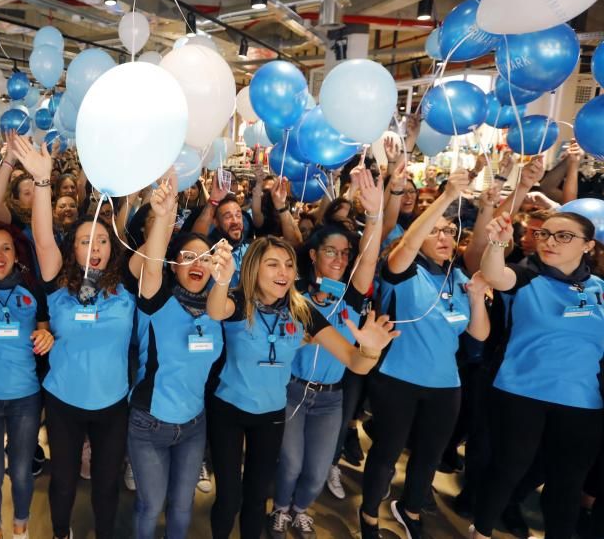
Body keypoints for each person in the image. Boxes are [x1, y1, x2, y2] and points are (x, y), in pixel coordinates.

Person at [206, 233, 398, 539]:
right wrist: (220, 281)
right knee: (229, 499)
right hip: (227, 410)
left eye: (288, 265)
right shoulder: (240, 300)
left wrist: (371, 349)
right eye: (272, 264)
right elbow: (216, 311)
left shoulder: (302, 311)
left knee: (256, 499)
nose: (283, 272)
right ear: (254, 268)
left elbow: (354, 361)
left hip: (271, 415)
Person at [11, 134, 134, 539]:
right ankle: (61, 532)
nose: (94, 247)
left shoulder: (124, 288)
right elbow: (43, 238)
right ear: (74, 249)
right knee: (62, 482)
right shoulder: (59, 286)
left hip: (113, 403)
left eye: (101, 240)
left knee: (106, 484)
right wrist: (44, 182)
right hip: (63, 401)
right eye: (85, 241)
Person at [359, 168, 490, 539]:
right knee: (386, 454)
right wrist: (447, 196)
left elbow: (478, 334)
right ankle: (369, 514)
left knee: (429, 456)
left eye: (450, 231)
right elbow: (407, 246)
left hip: (446, 385)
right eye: (436, 231)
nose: (445, 236)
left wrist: (477, 298)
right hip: (397, 379)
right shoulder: (400, 270)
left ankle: (410, 508)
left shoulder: (458, 278)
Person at [269, 167, 386, 538]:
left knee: (317, 469)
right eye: (330, 252)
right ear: (315, 255)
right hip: (291, 391)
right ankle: (281, 508)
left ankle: (301, 509)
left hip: (332, 397)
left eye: (344, 253)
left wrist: (375, 215)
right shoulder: (296, 292)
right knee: (289, 463)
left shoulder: (351, 294)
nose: (338, 259)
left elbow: (369, 259)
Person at [475, 210, 604, 539]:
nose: (550, 242)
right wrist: (497, 243)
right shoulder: (527, 277)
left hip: (582, 401)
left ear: (587, 245)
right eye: (545, 234)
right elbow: (492, 273)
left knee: (567, 484)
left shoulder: (600, 290)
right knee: (507, 470)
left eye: (564, 236)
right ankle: (481, 531)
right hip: (521, 392)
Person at [126, 171, 227, 539]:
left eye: (205, 257)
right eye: (188, 257)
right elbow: (151, 266)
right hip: (149, 424)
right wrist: (165, 217)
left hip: (193, 425)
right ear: (174, 264)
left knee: (183, 506)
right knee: (151, 506)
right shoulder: (157, 302)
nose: (197, 263)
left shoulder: (216, 309)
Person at [0, 220, 54, 539]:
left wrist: (47, 337)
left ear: (16, 253)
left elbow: (44, 330)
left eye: (5, 248)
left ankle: (21, 528)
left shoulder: (32, 288)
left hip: (26, 397)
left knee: (22, 472)